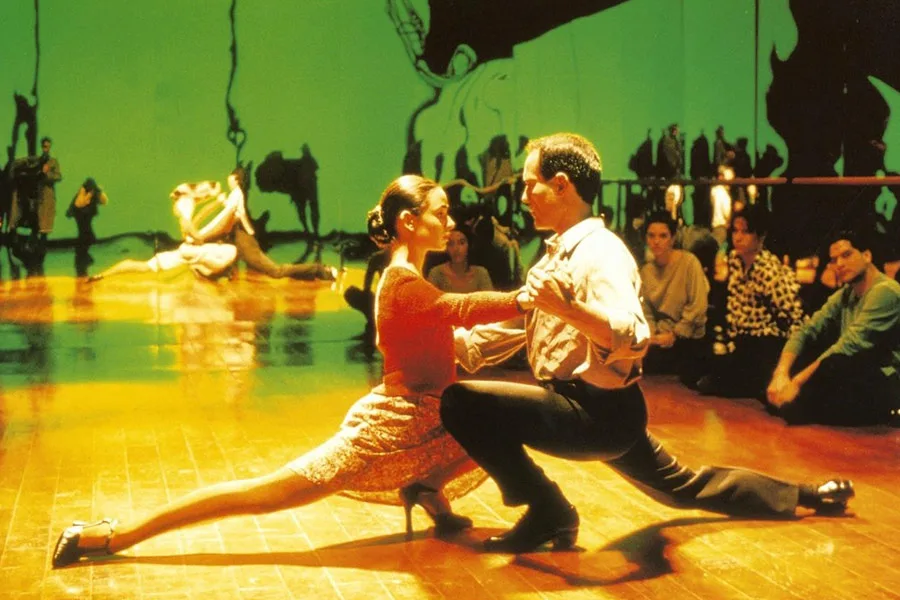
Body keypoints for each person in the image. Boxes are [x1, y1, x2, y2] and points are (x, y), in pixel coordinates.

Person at [52, 174, 528, 568]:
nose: (450, 222)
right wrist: (525, 299)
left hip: (430, 417)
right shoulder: (404, 282)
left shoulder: (409, 275)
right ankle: (114, 535)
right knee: (266, 493)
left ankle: (427, 488)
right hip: (392, 427)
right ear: (409, 221)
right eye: (441, 213)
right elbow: (461, 308)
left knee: (501, 420)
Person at [439, 133, 854, 555]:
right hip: (599, 410)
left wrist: (569, 310)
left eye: (531, 185)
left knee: (462, 402)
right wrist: (438, 341)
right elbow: (512, 328)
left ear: (561, 185)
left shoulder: (602, 253)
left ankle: (549, 510)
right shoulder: (555, 257)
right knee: (686, 487)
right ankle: (807, 494)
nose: (524, 196)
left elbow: (633, 336)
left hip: (596, 415)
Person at [766, 230, 900, 425]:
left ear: (867, 256)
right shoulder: (847, 293)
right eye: (834, 260)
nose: (840, 264)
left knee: (834, 363)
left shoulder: (886, 291)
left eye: (846, 255)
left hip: (886, 379)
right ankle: (795, 401)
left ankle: (798, 403)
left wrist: (796, 382)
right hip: (853, 370)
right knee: (785, 355)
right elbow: (807, 330)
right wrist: (781, 373)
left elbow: (849, 345)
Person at [697, 205, 806, 398]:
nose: (738, 237)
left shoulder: (769, 270)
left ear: (760, 237)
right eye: (735, 231)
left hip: (766, 343)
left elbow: (794, 318)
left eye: (746, 232)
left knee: (717, 380)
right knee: (697, 370)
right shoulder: (735, 261)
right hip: (741, 341)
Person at [88, 178, 242, 282]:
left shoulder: (185, 204)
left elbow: (197, 218)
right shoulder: (185, 204)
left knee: (143, 266)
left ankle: (102, 275)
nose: (205, 194)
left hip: (182, 249)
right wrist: (199, 238)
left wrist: (216, 203)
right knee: (230, 252)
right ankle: (210, 270)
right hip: (186, 249)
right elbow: (189, 226)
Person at [640, 211, 709, 386]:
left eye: (663, 236)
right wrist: (652, 334)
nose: (656, 241)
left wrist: (674, 334)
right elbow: (645, 311)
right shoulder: (646, 272)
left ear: (672, 238)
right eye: (651, 236)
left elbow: (698, 306)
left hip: (687, 338)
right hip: (659, 339)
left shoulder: (689, 262)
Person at [427, 226, 494, 293]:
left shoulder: (481, 273)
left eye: (461, 243)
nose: (456, 249)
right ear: (445, 248)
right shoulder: (436, 273)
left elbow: (489, 299)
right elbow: (428, 298)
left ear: (469, 245)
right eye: (450, 244)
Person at [66, 177, 108, 277]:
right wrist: (89, 195)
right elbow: (79, 204)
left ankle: (83, 256)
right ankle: (82, 256)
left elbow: (104, 201)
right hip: (80, 215)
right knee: (86, 236)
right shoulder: (83, 191)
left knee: (87, 236)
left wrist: (99, 192)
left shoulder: (95, 192)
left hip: (86, 215)